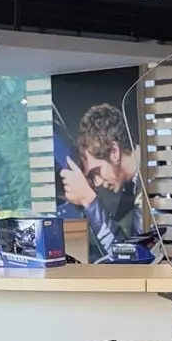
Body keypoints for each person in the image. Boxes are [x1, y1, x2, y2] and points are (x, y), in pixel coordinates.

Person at [59, 103, 142, 259]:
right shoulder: (140, 182)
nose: (97, 183)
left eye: (96, 171)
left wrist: (89, 201)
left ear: (114, 152)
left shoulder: (151, 186)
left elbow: (133, 261)